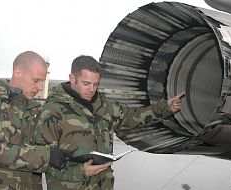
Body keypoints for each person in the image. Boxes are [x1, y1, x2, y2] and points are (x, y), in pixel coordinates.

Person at [34, 55, 184, 190]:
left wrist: (166, 108)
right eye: (86, 83)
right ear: (72, 78)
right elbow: (41, 158)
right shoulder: (52, 111)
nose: (92, 89)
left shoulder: (105, 105)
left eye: (95, 84)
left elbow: (133, 117)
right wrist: (80, 171)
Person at [0, 51, 68, 190]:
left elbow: (44, 148)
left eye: (42, 82)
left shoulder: (32, 110)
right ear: (17, 72)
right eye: (36, 80)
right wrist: (46, 156)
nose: (40, 88)